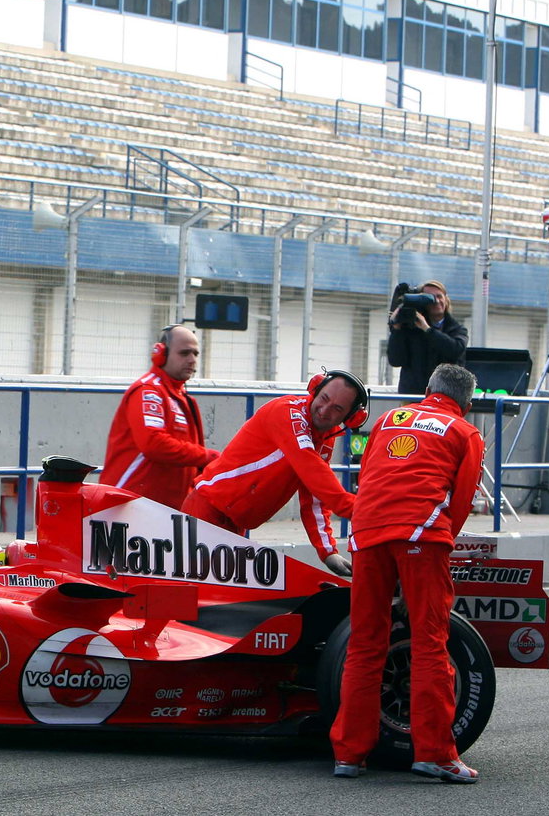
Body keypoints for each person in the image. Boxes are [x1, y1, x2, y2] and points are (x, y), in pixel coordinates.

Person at [330, 363, 485, 784]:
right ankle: (435, 754)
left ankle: (349, 754)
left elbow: (368, 475)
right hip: (421, 532)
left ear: (427, 389)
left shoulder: (387, 419)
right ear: (467, 404)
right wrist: (438, 541)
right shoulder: (464, 432)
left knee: (364, 643)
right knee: (430, 642)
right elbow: (461, 501)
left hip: (366, 530)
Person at [179, 370, 366, 577]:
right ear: (315, 389)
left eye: (337, 408)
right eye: (324, 398)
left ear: (350, 418)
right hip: (206, 511)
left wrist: (328, 552)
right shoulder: (287, 411)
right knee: (197, 592)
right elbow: (312, 469)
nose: (324, 410)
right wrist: (362, 511)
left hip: (234, 523)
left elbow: (314, 497)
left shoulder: (326, 438)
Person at [101, 324, 218, 509]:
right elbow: (154, 443)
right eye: (184, 353)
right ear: (161, 354)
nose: (192, 360)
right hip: (130, 505)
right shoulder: (148, 391)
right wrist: (208, 457)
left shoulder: (184, 399)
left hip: (162, 509)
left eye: (195, 354)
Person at [387, 279, 467, 395]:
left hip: (446, 395)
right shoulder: (411, 329)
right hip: (413, 395)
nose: (436, 301)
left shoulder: (457, 329)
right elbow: (395, 360)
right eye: (430, 298)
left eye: (439, 296)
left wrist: (427, 329)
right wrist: (397, 329)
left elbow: (455, 350)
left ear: (446, 300)